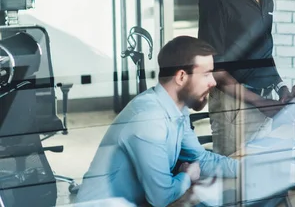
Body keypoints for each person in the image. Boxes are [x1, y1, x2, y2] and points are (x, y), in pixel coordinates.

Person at [76, 36, 238, 207]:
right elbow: (162, 198)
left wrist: (249, 169)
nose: (213, 82)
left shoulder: (177, 110)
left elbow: (201, 159)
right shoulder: (149, 118)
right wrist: (186, 176)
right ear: (181, 77)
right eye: (206, 74)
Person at [197, 0, 290, 156]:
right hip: (232, 105)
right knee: (233, 175)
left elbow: (263, 50)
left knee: (260, 170)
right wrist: (258, 102)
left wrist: (280, 87)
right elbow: (214, 67)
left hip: (264, 97)